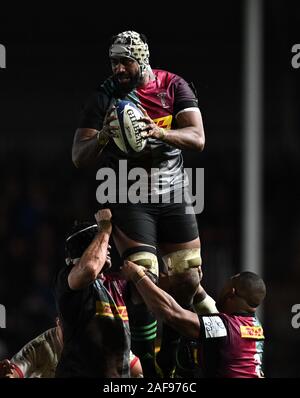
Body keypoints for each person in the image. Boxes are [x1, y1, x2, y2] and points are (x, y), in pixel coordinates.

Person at [72, 30, 216, 377]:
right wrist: (104, 136)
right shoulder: (104, 96)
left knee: (187, 275)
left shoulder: (173, 86)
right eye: (113, 62)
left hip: (174, 190)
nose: (118, 69)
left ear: (142, 60)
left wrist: (160, 132)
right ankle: (147, 362)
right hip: (128, 191)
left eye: (125, 61)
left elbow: (197, 138)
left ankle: (173, 351)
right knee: (142, 275)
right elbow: (79, 155)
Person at [122, 260, 266, 378]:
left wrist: (138, 276)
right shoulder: (254, 325)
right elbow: (203, 299)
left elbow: (172, 313)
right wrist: (190, 281)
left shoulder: (225, 328)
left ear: (231, 292)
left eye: (227, 283)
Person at [54, 209, 135, 378]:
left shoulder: (116, 283)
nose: (108, 246)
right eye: (101, 242)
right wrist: (104, 228)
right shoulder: (67, 280)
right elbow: (90, 269)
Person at [0, 317, 142, 378]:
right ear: (58, 322)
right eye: (68, 328)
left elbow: (139, 370)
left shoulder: (100, 339)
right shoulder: (41, 346)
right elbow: (13, 373)